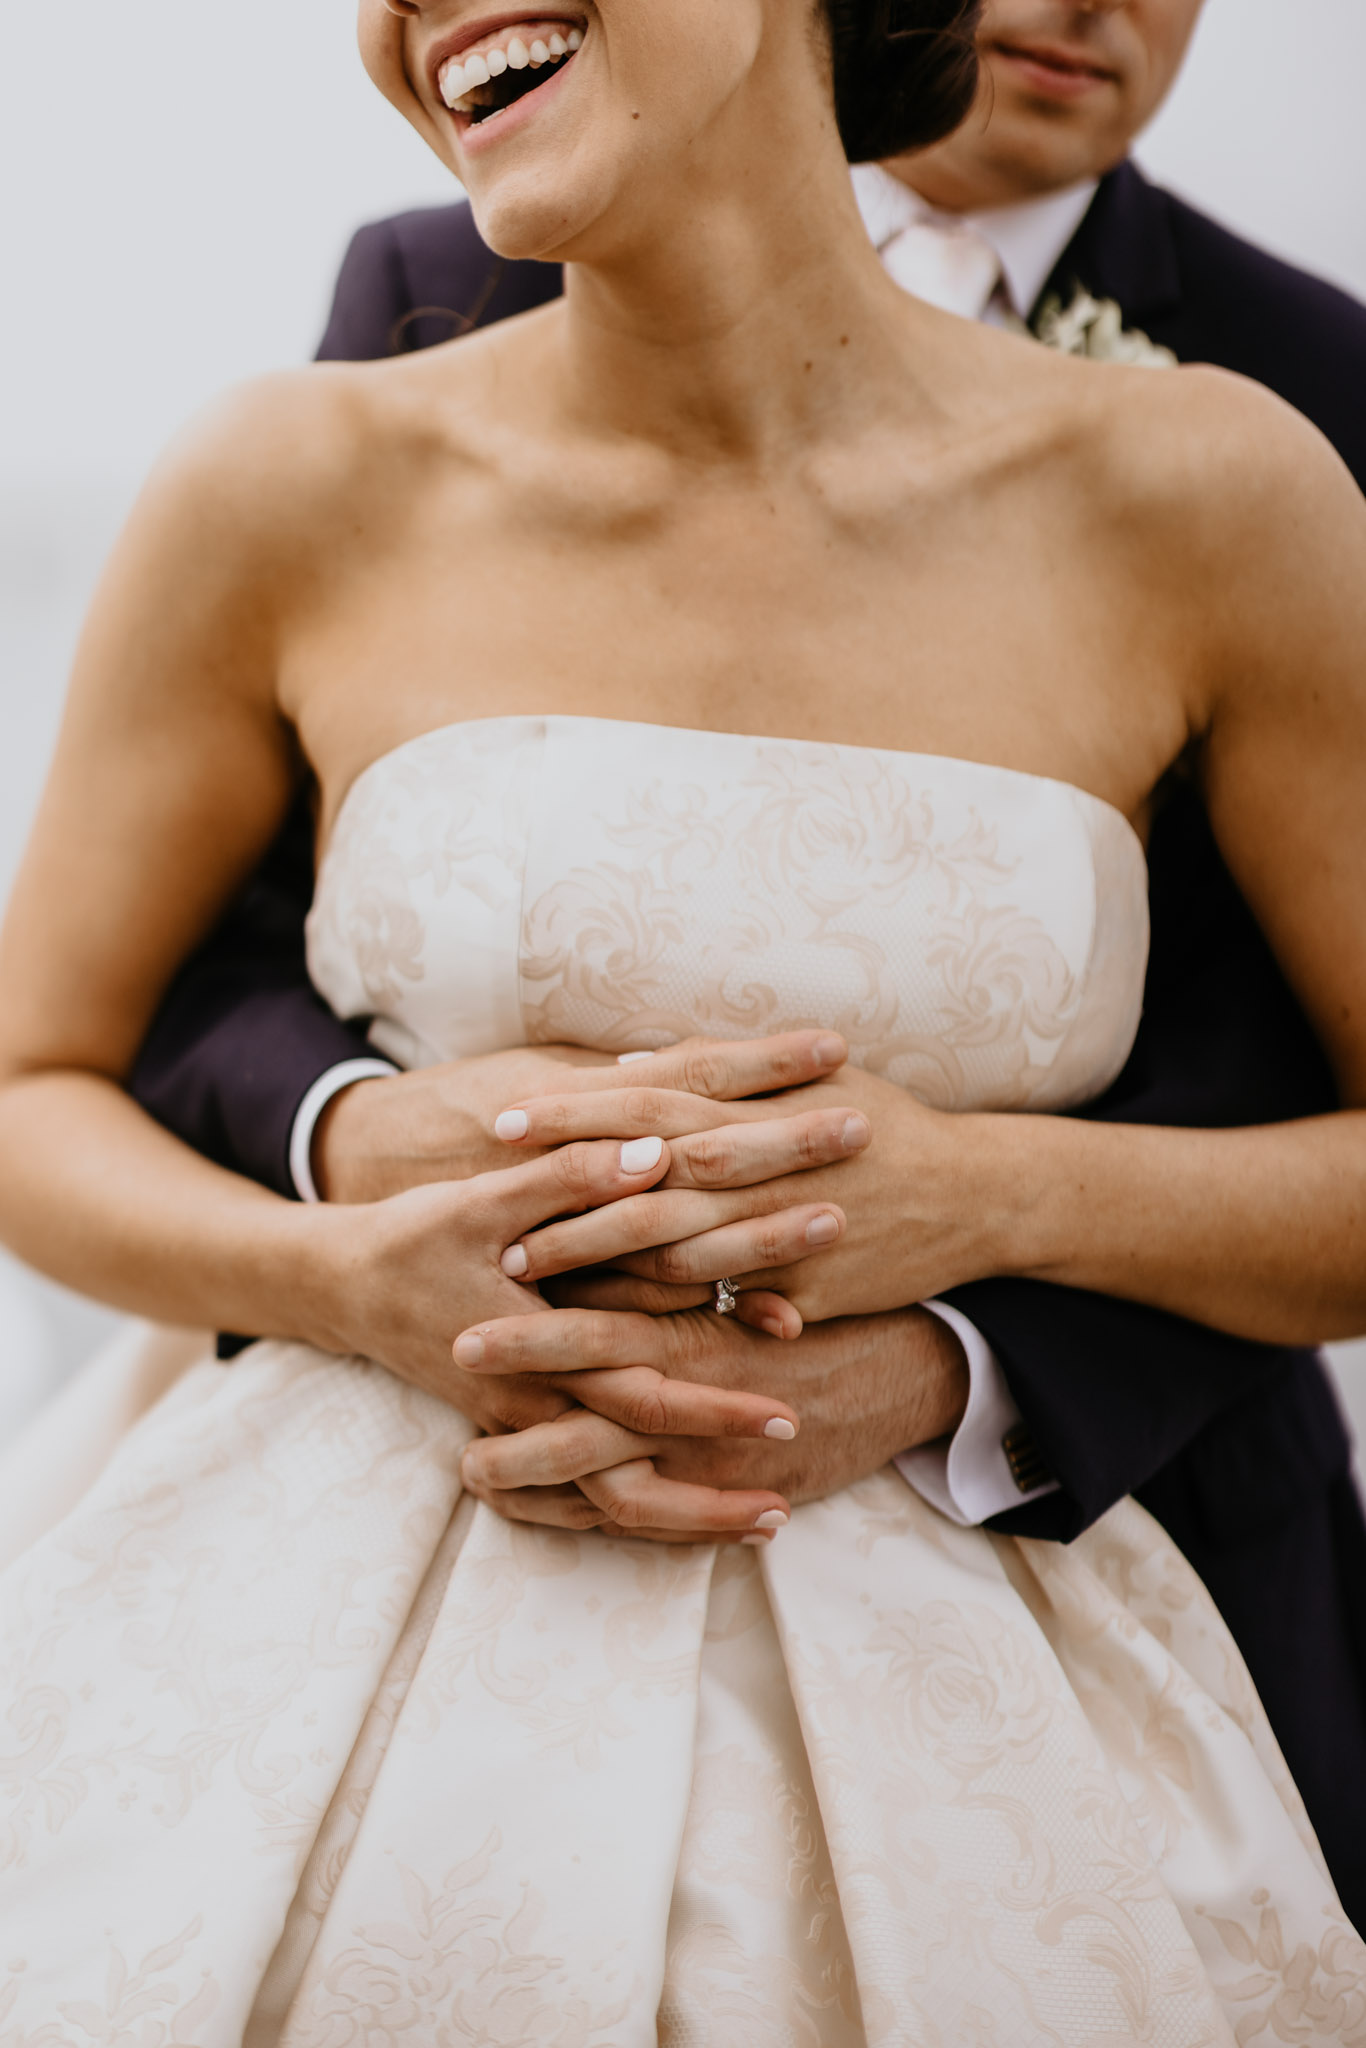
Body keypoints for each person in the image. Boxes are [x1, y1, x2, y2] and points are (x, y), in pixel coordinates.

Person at [2, 0, 1366, 2033]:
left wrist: (979, 1206)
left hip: (1013, 1720)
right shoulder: (282, 477)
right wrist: (345, 1263)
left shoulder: (1222, 485)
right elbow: (41, 1082)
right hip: (296, 1666)